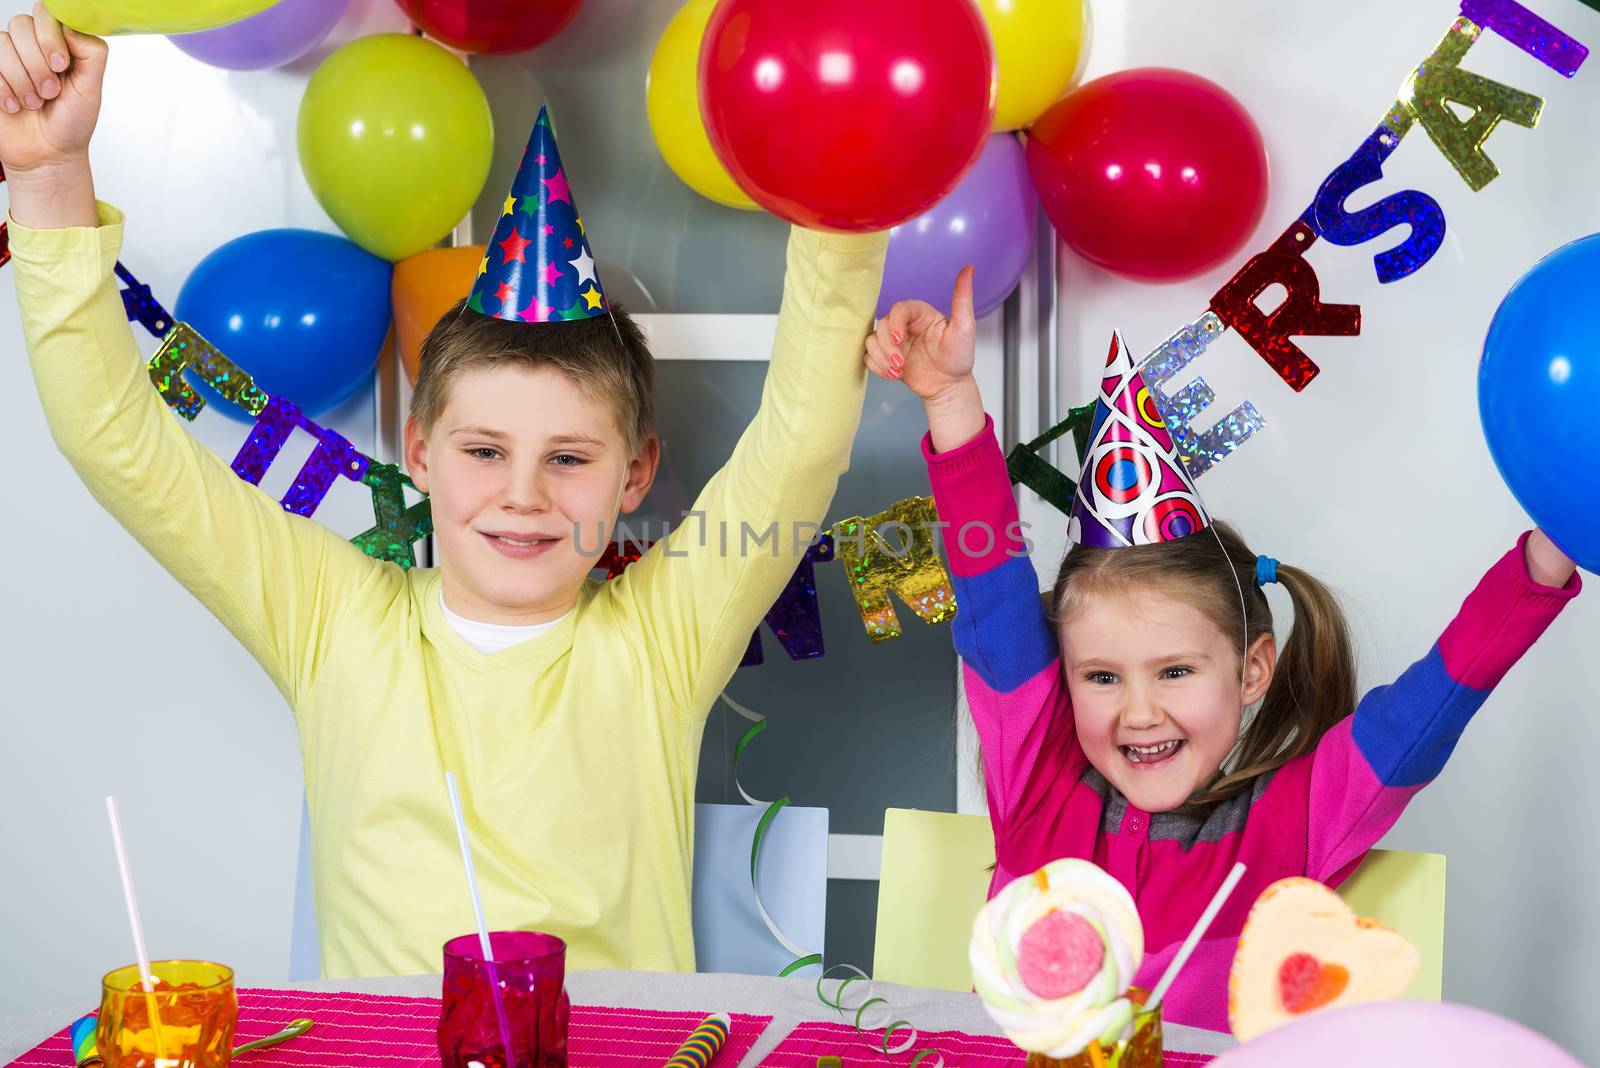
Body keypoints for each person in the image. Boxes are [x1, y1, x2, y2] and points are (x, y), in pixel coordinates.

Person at [2, 6, 887, 977]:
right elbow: (118, 444)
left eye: (569, 458)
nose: (522, 496)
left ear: (635, 471)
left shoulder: (657, 642)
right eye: (482, 450)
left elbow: (799, 446)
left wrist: (848, 185)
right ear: (419, 451)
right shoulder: (333, 622)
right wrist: (47, 180)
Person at [865, 270, 1580, 1028]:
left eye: (1174, 671)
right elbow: (992, 595)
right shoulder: (1036, 772)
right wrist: (948, 399)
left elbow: (1424, 710)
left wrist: (1545, 559)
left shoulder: (1296, 821)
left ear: (1252, 671)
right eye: (1102, 676)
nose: (1139, 712)